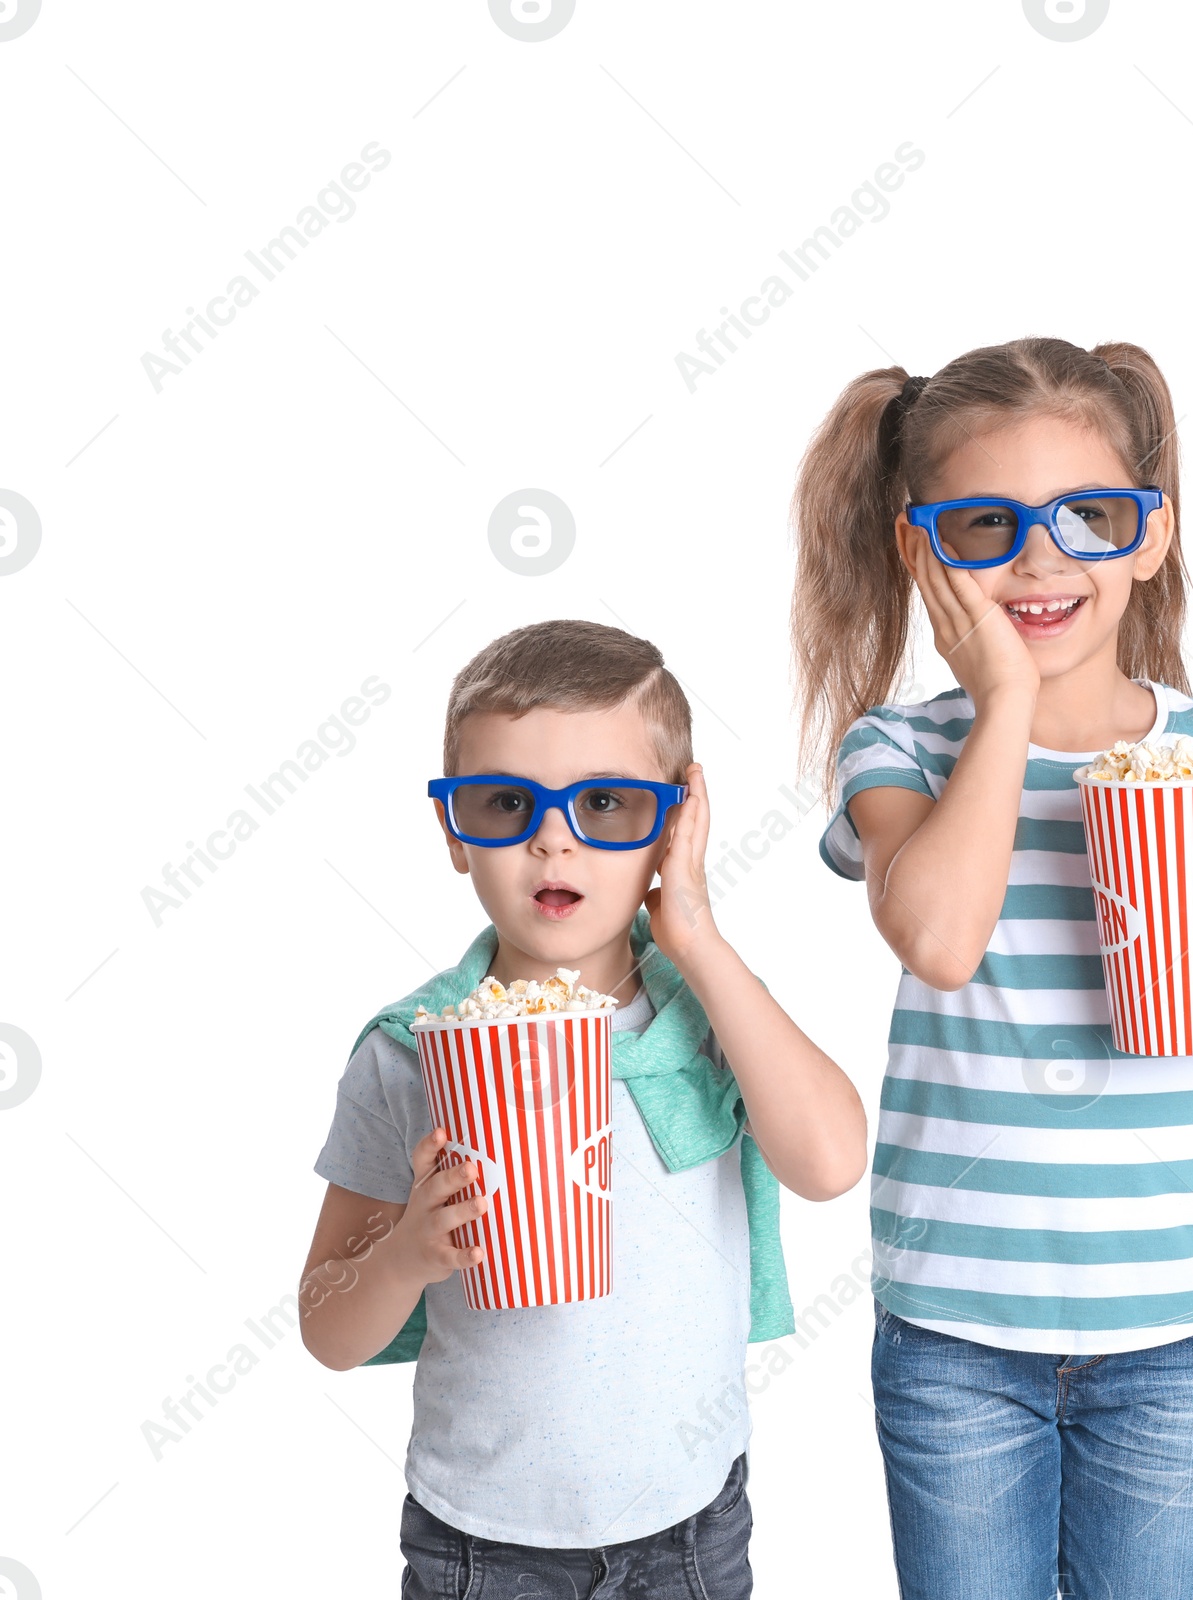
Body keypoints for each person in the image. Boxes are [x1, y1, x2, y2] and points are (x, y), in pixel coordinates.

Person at [791, 337, 1193, 1600]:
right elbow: (937, 936)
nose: (1041, 558)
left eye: (1088, 515)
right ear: (921, 551)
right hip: (954, 1331)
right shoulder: (903, 752)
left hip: (1177, 1328)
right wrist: (999, 704)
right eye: (985, 526)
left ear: (1148, 536)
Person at [300, 619, 867, 1599]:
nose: (551, 835)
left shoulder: (713, 1019)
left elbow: (829, 1162)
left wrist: (693, 931)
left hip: (691, 1524)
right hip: (480, 1541)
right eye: (504, 802)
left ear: (675, 820)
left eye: (606, 803)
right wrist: (404, 1256)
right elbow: (325, 1327)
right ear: (450, 828)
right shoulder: (409, 1052)